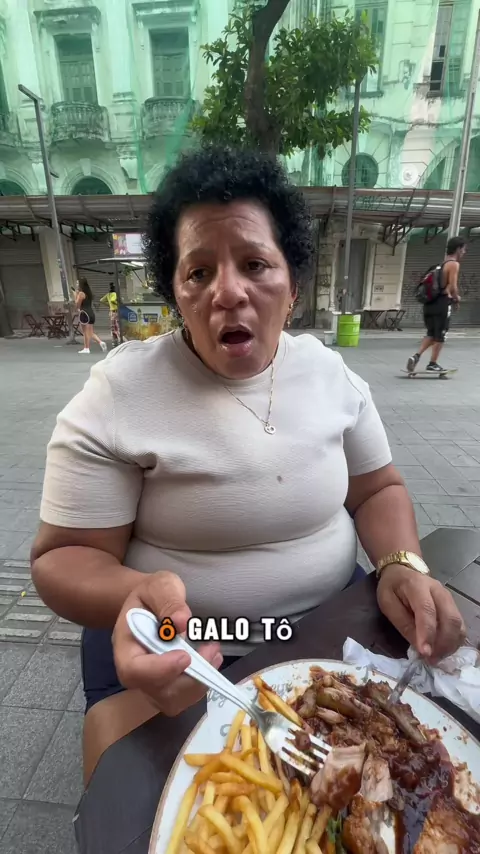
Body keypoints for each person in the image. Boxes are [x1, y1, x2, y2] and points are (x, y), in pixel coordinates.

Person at [31, 145, 465, 785]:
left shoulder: (328, 374)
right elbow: (61, 558)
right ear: (176, 292)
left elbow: (378, 489)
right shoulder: (120, 394)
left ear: (293, 286)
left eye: (255, 264)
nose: (227, 291)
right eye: (198, 272)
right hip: (194, 654)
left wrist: (401, 562)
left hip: (328, 634)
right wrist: (132, 596)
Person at [407, 235, 465, 373]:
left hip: (429, 304)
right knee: (440, 335)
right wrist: (456, 299)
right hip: (441, 304)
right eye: (463, 249)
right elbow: (453, 286)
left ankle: (416, 356)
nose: (464, 252)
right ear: (458, 249)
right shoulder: (453, 264)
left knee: (431, 333)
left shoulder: (440, 265)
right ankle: (432, 364)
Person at [75, 277, 107, 355]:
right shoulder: (88, 293)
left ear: (81, 284)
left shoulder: (81, 293)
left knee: (85, 332)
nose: (76, 284)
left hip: (84, 313)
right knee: (90, 332)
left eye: (77, 283)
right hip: (91, 313)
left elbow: (77, 304)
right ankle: (100, 342)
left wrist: (75, 295)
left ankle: (86, 348)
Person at [100, 283, 120, 347]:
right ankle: (120, 341)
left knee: (113, 328)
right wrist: (117, 304)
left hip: (111, 312)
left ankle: (114, 342)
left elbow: (101, 300)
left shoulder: (108, 294)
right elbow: (113, 300)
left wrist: (109, 305)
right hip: (116, 312)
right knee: (117, 327)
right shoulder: (114, 294)